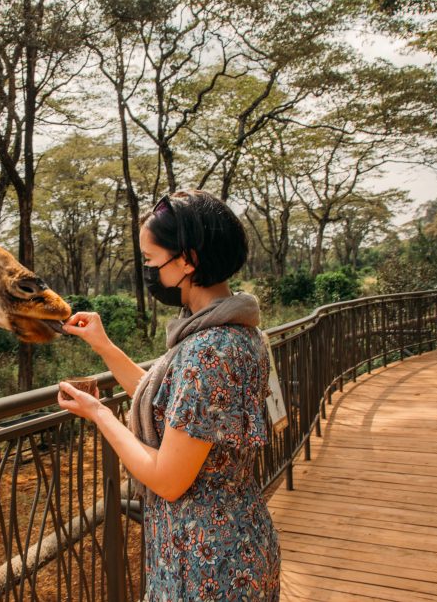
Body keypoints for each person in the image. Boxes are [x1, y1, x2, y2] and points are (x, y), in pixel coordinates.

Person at [57, 190, 281, 601]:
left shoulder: (209, 350)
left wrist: (100, 414)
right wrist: (104, 346)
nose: (146, 269)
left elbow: (169, 479)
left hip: (206, 561)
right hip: (231, 543)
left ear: (187, 261)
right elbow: (175, 407)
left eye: (150, 259)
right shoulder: (237, 331)